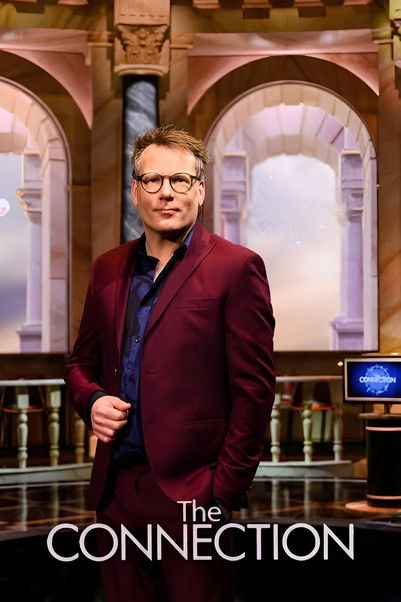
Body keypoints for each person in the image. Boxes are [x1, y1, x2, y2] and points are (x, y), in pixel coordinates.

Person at [65, 125, 275, 602]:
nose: (166, 192)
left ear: (199, 190)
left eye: (180, 180)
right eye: (153, 180)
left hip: (196, 493)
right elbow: (80, 363)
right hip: (117, 491)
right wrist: (91, 399)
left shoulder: (237, 267)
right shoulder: (107, 267)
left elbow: (255, 390)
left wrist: (223, 494)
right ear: (135, 191)